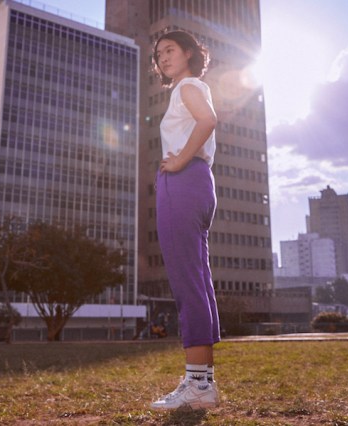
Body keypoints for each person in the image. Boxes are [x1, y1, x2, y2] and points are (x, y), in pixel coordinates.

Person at [148, 30, 221, 411]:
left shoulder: (187, 87)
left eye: (170, 50)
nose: (162, 58)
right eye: (159, 53)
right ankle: (202, 383)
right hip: (198, 182)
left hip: (183, 180)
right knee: (198, 281)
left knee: (186, 282)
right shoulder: (192, 87)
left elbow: (207, 121)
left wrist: (176, 162)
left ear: (190, 53)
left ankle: (196, 384)